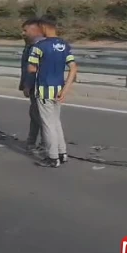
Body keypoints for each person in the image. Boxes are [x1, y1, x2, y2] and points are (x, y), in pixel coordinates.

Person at [27, 17, 78, 168]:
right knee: (56, 122)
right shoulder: (64, 45)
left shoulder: (39, 46)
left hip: (44, 89)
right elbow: (73, 68)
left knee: (48, 124)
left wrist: (41, 68)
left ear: (43, 27)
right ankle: (62, 153)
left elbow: (31, 68)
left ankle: (52, 157)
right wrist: (66, 89)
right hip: (58, 89)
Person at [20, 19, 46, 153]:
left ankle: (44, 143)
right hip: (36, 85)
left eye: (26, 30)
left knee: (39, 115)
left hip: (38, 86)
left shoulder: (39, 46)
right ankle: (32, 141)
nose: (23, 33)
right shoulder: (30, 45)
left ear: (35, 30)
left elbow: (32, 68)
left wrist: (27, 85)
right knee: (35, 114)